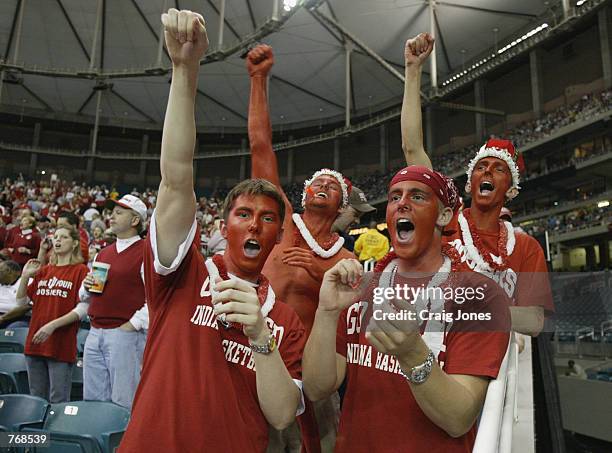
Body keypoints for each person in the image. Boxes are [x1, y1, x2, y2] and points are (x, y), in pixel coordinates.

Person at [118, 10, 304, 452]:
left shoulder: (286, 321)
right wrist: (185, 70)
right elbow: (176, 178)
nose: (255, 224)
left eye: (268, 218)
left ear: (278, 236)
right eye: (243, 214)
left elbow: (281, 415)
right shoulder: (182, 272)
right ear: (222, 227)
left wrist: (260, 334)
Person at [303, 166, 510, 452]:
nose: (402, 203)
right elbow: (316, 388)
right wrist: (325, 312)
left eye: (418, 196)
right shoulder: (361, 287)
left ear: (443, 215)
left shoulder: (480, 295)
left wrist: (412, 354)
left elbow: (458, 418)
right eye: (394, 197)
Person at [400, 33, 553, 337]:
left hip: (492, 370)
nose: (487, 172)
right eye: (481, 167)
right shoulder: (446, 218)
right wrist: (413, 71)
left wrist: (471, 307)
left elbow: (535, 322)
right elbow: (412, 149)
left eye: (499, 170)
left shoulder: (525, 247)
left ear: (510, 191)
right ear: (469, 184)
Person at [247, 43, 355, 452]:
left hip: (316, 373)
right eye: (316, 181)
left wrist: (316, 273)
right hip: (264, 355)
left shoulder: (344, 258)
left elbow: (354, 312)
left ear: (342, 204)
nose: (321, 184)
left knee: (326, 444)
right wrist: (258, 80)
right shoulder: (281, 222)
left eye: (332, 184)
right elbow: (261, 146)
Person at [79, 194, 149, 410]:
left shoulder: (147, 251)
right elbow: (85, 295)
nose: (112, 216)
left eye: (119, 213)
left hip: (124, 334)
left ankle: (121, 445)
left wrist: (133, 325)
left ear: (135, 220)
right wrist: (86, 285)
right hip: (95, 330)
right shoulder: (103, 253)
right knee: (92, 402)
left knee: (123, 403)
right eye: (112, 212)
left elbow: (155, 297)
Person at [15, 227, 89, 402]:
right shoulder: (44, 271)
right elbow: (21, 302)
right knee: (36, 401)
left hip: (60, 344)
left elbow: (82, 310)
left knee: (58, 401)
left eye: (64, 237)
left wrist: (52, 325)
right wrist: (25, 276)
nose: (58, 240)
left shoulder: (81, 271)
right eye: (55, 237)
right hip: (34, 343)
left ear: (75, 243)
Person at [332, 185, 376, 252]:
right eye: (355, 214)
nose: (358, 221)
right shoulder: (310, 234)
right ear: (341, 207)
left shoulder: (348, 242)